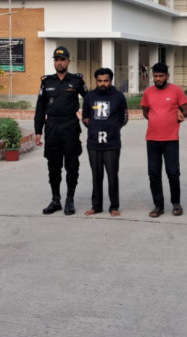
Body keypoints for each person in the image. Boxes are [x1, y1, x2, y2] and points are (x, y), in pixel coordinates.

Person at [34, 46, 88, 215]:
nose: (59, 63)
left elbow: (89, 99)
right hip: (52, 127)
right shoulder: (47, 82)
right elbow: (40, 108)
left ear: (68, 62)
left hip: (70, 126)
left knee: (72, 165)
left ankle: (70, 200)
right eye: (57, 60)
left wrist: (88, 119)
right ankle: (55, 200)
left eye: (62, 60)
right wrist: (38, 131)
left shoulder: (76, 81)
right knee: (53, 166)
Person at [140, 63, 187, 218]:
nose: (158, 79)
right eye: (155, 76)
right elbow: (146, 112)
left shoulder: (176, 90)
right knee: (154, 173)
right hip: (152, 139)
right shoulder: (148, 92)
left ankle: (176, 203)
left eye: (161, 76)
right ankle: (158, 206)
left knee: (173, 172)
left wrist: (180, 115)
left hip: (171, 139)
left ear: (167, 76)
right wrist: (158, 120)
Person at [81, 68, 128, 217]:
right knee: (96, 176)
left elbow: (124, 118)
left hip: (112, 144)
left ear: (111, 81)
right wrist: (95, 128)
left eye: (106, 81)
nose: (103, 84)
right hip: (93, 144)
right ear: (96, 81)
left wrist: (112, 128)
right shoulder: (89, 96)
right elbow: (85, 118)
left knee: (112, 175)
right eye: (100, 81)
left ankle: (114, 206)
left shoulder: (119, 96)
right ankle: (96, 206)